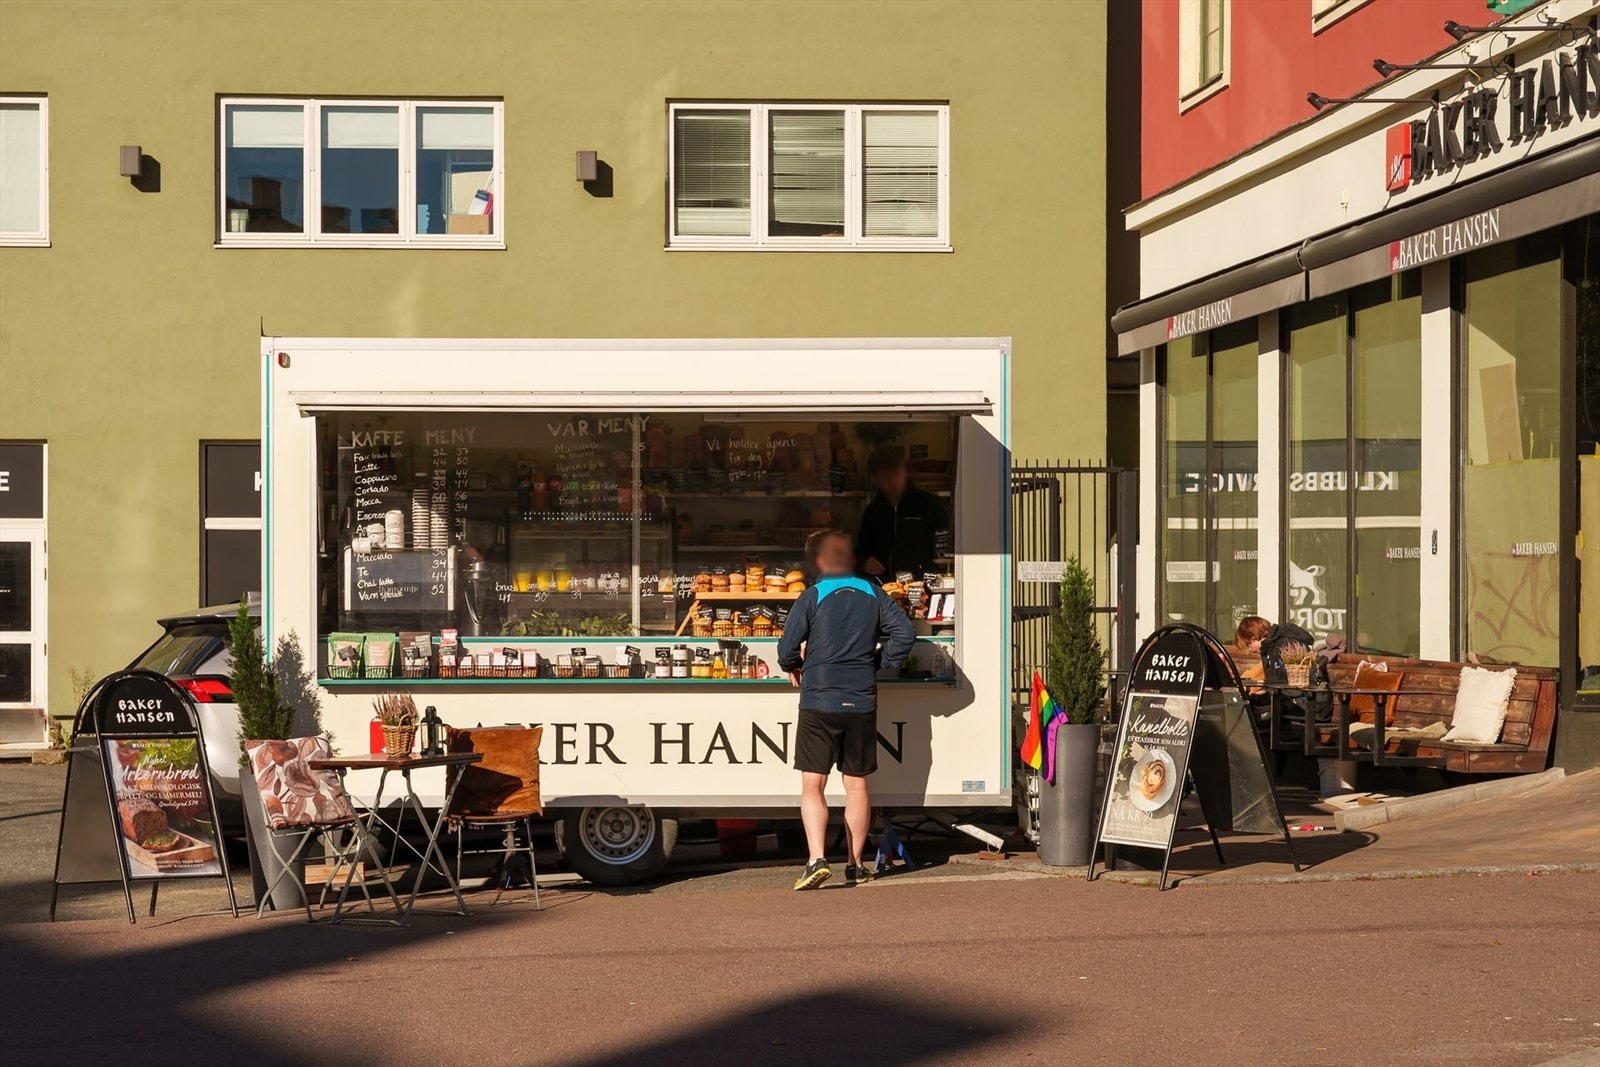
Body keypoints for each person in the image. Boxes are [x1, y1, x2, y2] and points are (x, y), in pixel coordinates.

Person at [778, 529, 916, 890]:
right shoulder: (874, 593)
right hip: (861, 698)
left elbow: (785, 650)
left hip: (819, 699)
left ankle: (817, 860)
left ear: (820, 562)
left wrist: (796, 665)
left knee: (813, 785)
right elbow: (905, 634)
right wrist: (877, 661)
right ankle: (855, 864)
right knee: (857, 786)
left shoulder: (813, 595)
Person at [856, 447, 950, 581]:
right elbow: (862, 549)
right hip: (885, 587)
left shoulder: (929, 504)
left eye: (896, 474)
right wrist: (864, 562)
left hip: (924, 587)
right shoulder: (874, 511)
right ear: (875, 478)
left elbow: (946, 545)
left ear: (904, 473)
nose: (892, 481)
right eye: (885, 477)